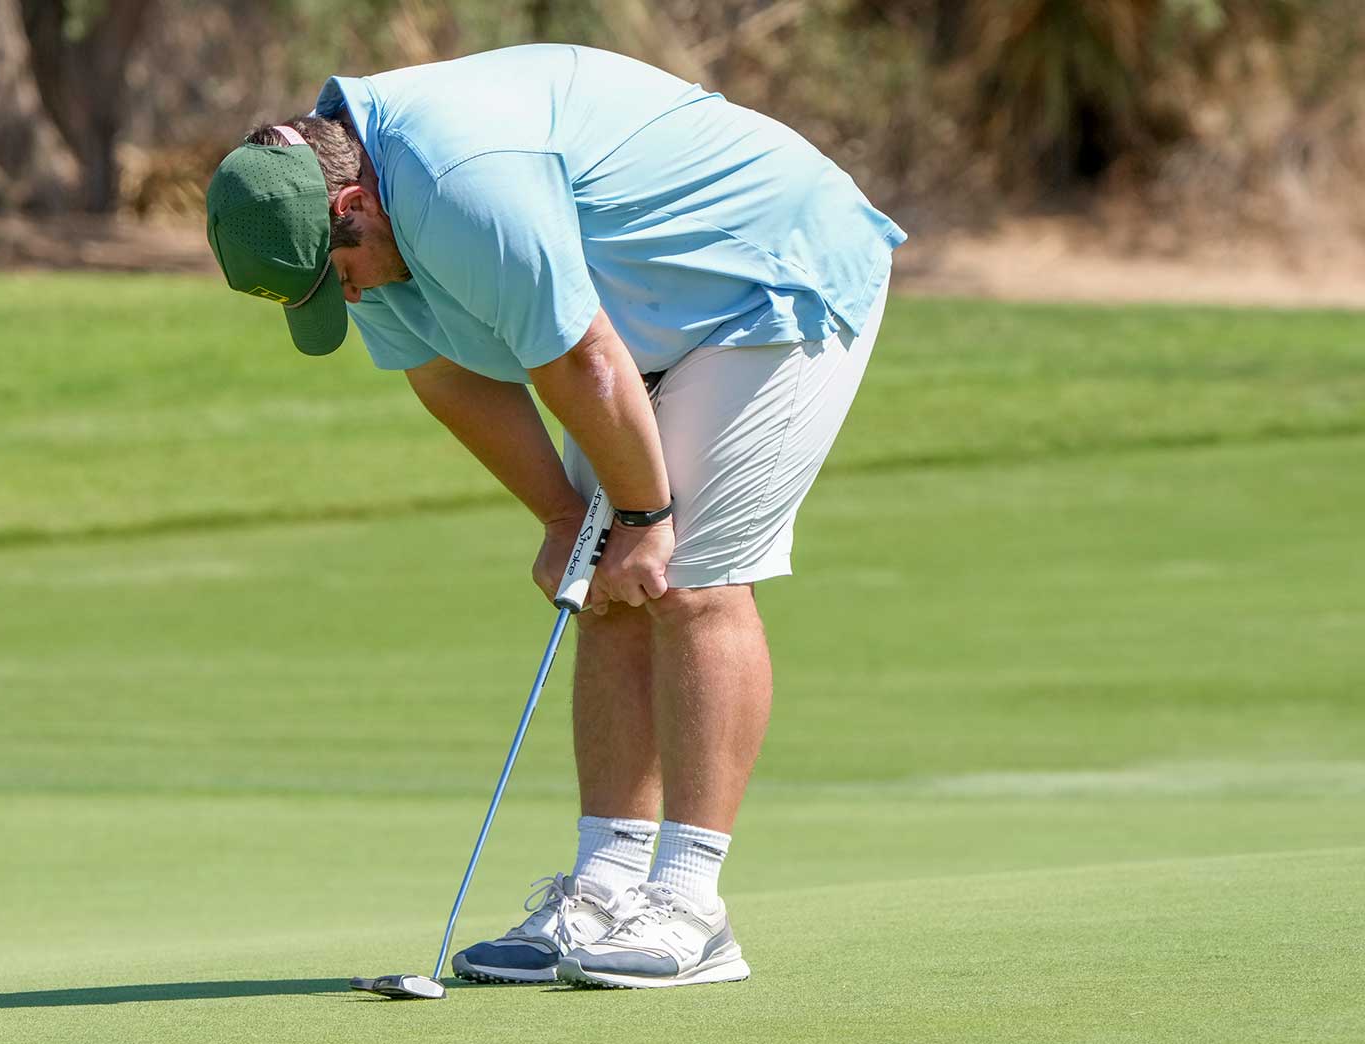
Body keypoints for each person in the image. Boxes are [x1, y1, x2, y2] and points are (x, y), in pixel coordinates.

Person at [204, 44, 904, 990]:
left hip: (764, 274)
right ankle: (608, 887)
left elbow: (578, 359)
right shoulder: (348, 215)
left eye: (347, 274)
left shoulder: (460, 181)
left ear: (350, 207)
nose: (355, 295)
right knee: (606, 579)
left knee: (685, 576)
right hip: (633, 321)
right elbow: (444, 377)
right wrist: (564, 516)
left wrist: (647, 514)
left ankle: (693, 909)